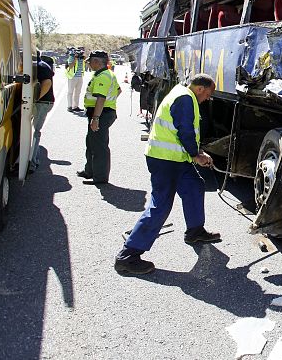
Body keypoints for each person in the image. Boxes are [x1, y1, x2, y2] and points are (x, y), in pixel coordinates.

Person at [114, 73, 220, 275]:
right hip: (165, 160)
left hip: (176, 160)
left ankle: (195, 231)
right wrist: (196, 154)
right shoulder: (185, 98)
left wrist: (195, 154)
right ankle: (128, 255)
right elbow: (185, 131)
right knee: (161, 204)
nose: (207, 99)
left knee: (194, 187)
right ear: (199, 89)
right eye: (207, 95)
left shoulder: (181, 93)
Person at [76, 51, 121, 185]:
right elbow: (118, 90)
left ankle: (100, 177)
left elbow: (100, 99)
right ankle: (90, 171)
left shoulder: (103, 76)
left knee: (99, 146)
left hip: (101, 113)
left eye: (90, 61)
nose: (88, 63)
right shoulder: (105, 74)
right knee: (91, 142)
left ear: (97, 62)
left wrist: (96, 118)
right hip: (102, 112)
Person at [29, 56, 55, 172]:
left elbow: (47, 82)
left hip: (43, 103)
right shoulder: (41, 65)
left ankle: (32, 163)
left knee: (35, 131)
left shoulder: (40, 66)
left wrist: (36, 99)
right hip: (43, 102)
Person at [65, 47, 86, 113]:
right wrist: (75, 58)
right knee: (70, 92)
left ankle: (75, 106)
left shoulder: (82, 58)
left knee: (77, 92)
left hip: (80, 77)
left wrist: (82, 57)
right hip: (72, 77)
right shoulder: (71, 57)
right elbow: (70, 66)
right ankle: (69, 106)